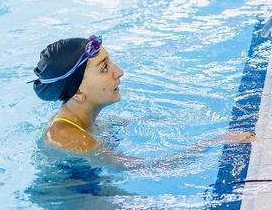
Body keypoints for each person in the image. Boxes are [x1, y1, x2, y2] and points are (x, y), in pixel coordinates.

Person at [31, 35, 252, 158]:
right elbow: (147, 169)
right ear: (78, 92)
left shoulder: (84, 120)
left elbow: (130, 124)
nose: (119, 72)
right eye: (104, 68)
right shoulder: (70, 137)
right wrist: (214, 141)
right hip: (80, 204)